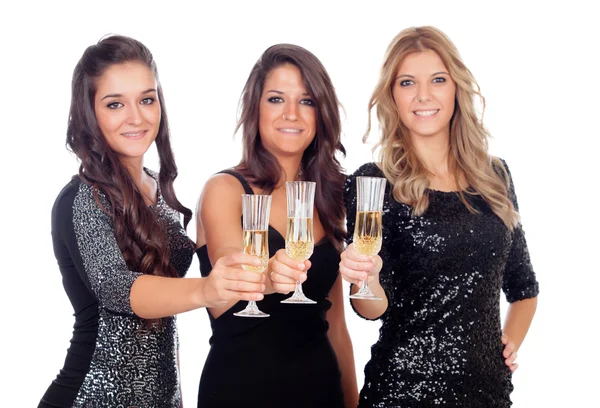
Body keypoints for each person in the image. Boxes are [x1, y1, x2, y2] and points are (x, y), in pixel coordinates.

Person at [38, 35, 265, 408]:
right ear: (89, 113)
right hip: (90, 399)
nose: (137, 117)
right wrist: (206, 289)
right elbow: (117, 287)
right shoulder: (81, 198)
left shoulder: (156, 187)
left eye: (147, 99)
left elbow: (163, 325)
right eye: (115, 104)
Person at [339, 26, 539, 407]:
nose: (424, 95)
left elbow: (524, 288)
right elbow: (370, 309)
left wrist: (509, 341)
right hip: (402, 391)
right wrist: (366, 276)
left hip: (487, 393)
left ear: (456, 88)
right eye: (408, 82)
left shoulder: (495, 177)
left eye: (438, 80)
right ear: (392, 95)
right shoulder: (374, 181)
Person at [195, 44, 358, 407]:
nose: (291, 114)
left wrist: (352, 401)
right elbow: (229, 270)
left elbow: (337, 326)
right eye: (275, 99)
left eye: (306, 101)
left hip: (321, 390)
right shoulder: (223, 189)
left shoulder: (328, 199)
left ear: (321, 114)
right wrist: (270, 274)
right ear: (255, 109)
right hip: (240, 391)